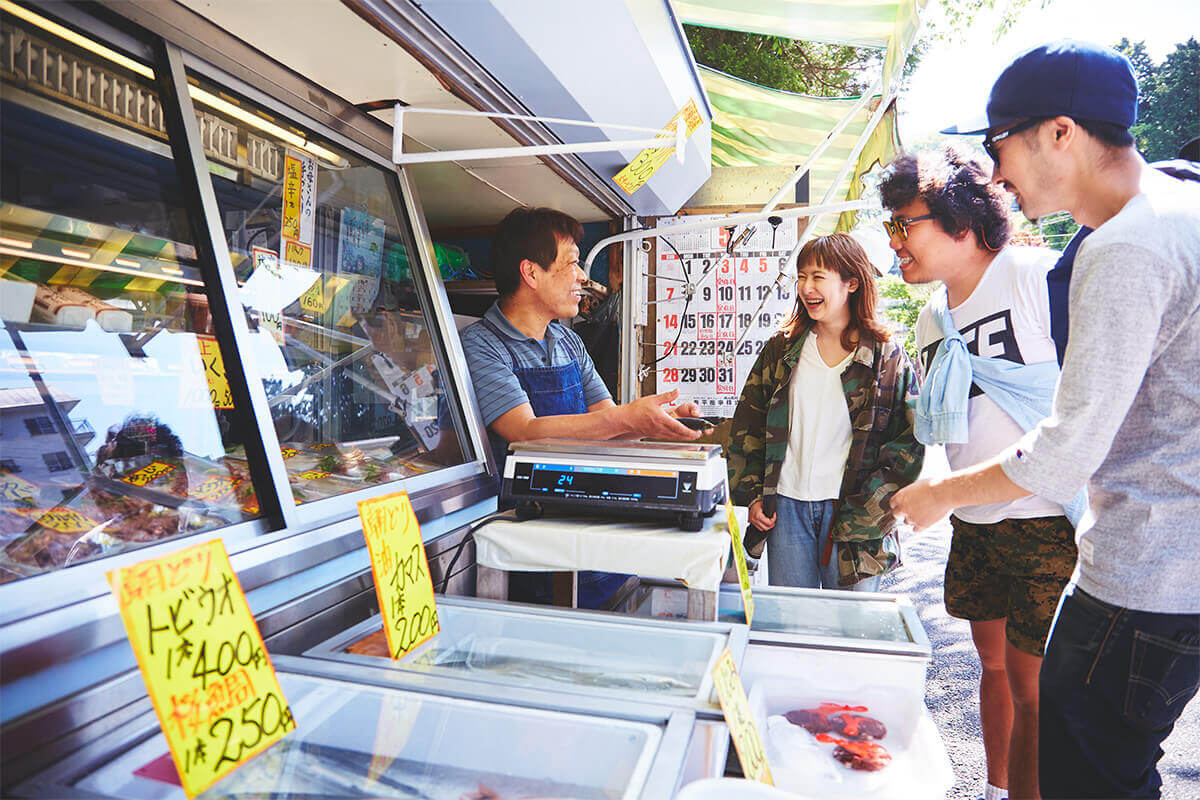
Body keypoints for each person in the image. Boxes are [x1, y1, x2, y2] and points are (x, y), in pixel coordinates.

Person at [893, 40, 1200, 799]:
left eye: (999, 144)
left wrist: (939, 495)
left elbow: (1066, 452)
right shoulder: (1176, 210)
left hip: (1150, 572)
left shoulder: (1125, 246)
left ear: (1060, 132)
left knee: (1082, 769)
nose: (995, 173)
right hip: (1171, 568)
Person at [878, 146, 1083, 800]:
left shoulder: (1033, 276)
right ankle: (995, 790)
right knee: (991, 670)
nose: (894, 242)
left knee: (1036, 691)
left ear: (961, 226)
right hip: (974, 523)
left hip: (1043, 519)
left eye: (904, 225)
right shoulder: (933, 316)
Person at [460, 206, 702, 607]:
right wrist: (627, 416)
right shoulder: (483, 345)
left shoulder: (569, 342)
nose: (582, 278)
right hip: (531, 552)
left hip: (595, 541)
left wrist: (654, 422)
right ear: (531, 273)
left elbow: (606, 426)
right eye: (571, 264)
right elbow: (524, 432)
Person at [726, 233, 922, 591]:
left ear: (851, 283)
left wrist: (870, 511)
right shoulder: (781, 350)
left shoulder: (886, 357)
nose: (806, 287)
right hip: (785, 508)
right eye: (801, 277)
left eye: (818, 276)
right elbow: (747, 427)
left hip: (853, 514)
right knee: (794, 626)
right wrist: (753, 494)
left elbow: (909, 444)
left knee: (851, 631)